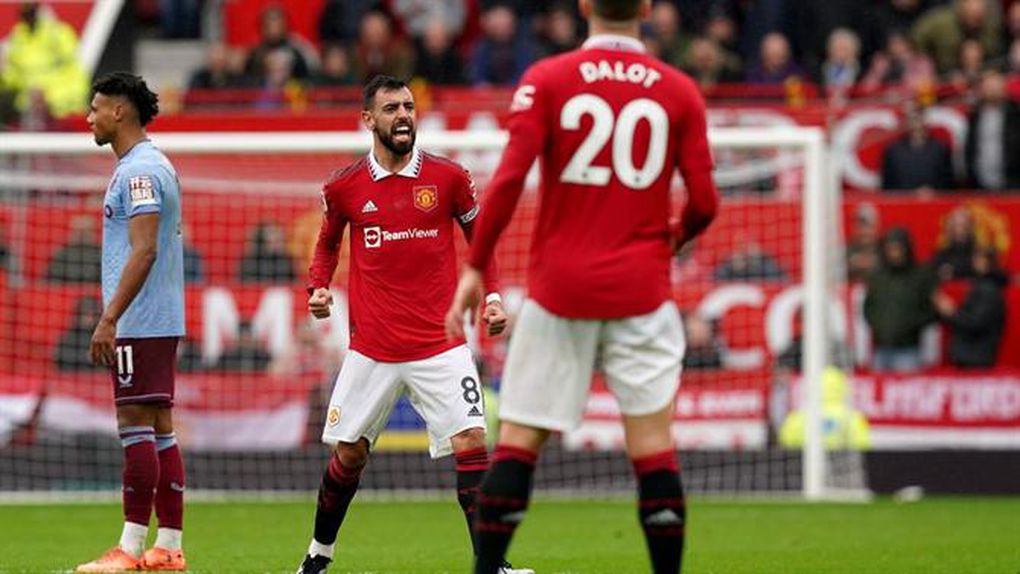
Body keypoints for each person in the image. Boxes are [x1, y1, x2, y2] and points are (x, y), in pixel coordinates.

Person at [445, 1, 720, 572]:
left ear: (585, 5)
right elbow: (704, 203)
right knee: (653, 448)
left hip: (560, 291)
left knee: (519, 441)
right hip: (643, 292)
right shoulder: (679, 91)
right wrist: (671, 238)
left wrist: (474, 265)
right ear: (647, 7)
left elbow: (510, 179)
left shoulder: (549, 78)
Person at [295, 75, 529, 574]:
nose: (403, 115)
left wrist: (492, 298)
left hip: (441, 343)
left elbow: (481, 240)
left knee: (472, 440)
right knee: (350, 455)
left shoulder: (449, 178)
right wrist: (317, 287)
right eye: (391, 109)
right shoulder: (344, 186)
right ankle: (318, 554)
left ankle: (492, 563)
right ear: (368, 120)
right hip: (372, 349)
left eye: (408, 107)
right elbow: (327, 243)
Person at [76, 73, 187, 572]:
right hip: (160, 316)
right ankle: (169, 547)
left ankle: (129, 548)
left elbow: (144, 251)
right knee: (160, 427)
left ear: (119, 111)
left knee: (134, 425)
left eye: (96, 108)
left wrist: (110, 318)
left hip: (140, 320)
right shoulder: (151, 164)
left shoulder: (139, 172)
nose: (90, 117)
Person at [863, 227, 937, 373]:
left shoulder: (920, 276)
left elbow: (932, 309)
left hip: (908, 350)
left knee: (907, 387)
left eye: (898, 249)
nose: (894, 253)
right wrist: (879, 327)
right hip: (881, 349)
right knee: (877, 387)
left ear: (906, 249)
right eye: (890, 249)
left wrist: (910, 326)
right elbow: (868, 307)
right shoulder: (877, 277)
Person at [933, 248, 1007, 368]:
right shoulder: (982, 286)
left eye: (978, 259)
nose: (973, 262)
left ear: (987, 262)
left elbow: (975, 322)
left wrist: (951, 312)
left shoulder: (988, 289)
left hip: (975, 357)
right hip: (972, 354)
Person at [46, 214, 103, 283]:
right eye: (78, 231)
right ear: (73, 233)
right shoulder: (63, 254)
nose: (81, 235)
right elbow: (50, 280)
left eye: (85, 231)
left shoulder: (100, 254)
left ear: (92, 232)